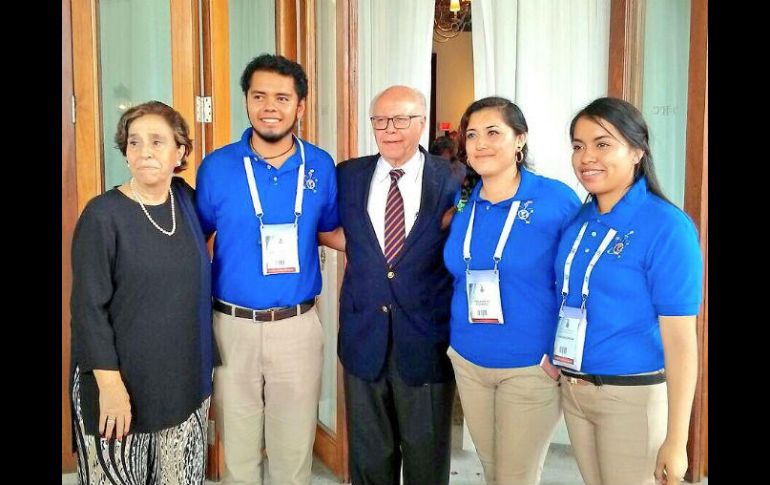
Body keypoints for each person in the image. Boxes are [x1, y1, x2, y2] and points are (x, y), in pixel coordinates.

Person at [195, 54, 339, 485]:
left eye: (282, 97)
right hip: (231, 325)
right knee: (236, 448)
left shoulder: (320, 166)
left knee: (293, 448)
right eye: (259, 96)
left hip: (296, 325)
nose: (269, 107)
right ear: (246, 102)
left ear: (300, 106)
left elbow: (331, 231)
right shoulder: (216, 167)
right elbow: (197, 240)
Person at [553, 97, 702, 485]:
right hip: (576, 388)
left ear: (637, 150)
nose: (587, 157)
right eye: (578, 145)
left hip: (630, 397)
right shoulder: (581, 218)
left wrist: (677, 438)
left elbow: (682, 342)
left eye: (603, 144)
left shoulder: (667, 227)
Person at [70, 101, 216, 484]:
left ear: (180, 151)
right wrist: (110, 386)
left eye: (157, 141)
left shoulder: (184, 200)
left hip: (184, 381)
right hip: (120, 385)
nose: (144, 152)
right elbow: (88, 309)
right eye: (134, 143)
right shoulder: (102, 215)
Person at [442, 96, 581, 485]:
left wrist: (561, 353)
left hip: (530, 365)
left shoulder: (555, 199)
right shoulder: (465, 200)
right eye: (472, 135)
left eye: (493, 133)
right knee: (492, 470)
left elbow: (579, 278)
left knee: (515, 477)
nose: (481, 143)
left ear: (520, 139)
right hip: (469, 360)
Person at [334, 86, 459, 485]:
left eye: (402, 119)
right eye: (380, 120)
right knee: (369, 461)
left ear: (421, 122)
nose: (390, 129)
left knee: (426, 461)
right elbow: (334, 231)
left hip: (425, 340)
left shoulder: (453, 177)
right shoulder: (349, 174)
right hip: (363, 337)